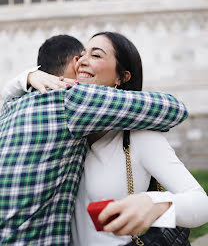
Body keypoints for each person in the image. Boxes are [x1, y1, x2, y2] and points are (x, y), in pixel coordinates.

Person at [0, 34, 188, 245]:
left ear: (122, 77)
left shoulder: (11, 108)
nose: (83, 61)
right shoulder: (70, 113)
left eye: (96, 55)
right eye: (81, 55)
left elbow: (200, 203)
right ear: (74, 62)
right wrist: (26, 76)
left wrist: (156, 204)